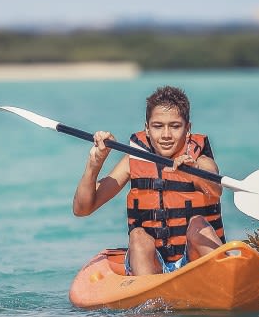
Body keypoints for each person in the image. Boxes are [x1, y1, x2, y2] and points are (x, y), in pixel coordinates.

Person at [73, 85, 225, 275]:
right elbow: (82, 209)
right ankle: (149, 300)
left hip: (194, 260)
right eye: (158, 126)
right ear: (147, 128)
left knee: (198, 225)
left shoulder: (200, 160)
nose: (166, 135)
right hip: (153, 264)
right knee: (138, 236)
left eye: (175, 126)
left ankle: (222, 277)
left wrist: (193, 171)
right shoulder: (133, 161)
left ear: (188, 129)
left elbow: (216, 189)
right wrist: (94, 164)